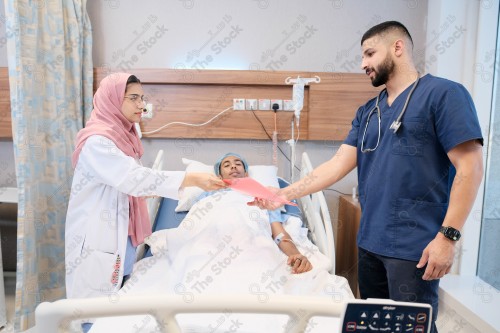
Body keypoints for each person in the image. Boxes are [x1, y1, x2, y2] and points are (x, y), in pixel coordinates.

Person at [251, 21, 483, 332]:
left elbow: (470, 169)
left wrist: (447, 237)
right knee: (376, 326)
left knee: (412, 328)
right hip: (371, 243)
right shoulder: (368, 111)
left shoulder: (444, 95)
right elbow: (335, 165)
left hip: (416, 248)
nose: (363, 64)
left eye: (370, 53)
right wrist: (283, 194)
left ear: (397, 48)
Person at [65, 73, 226, 303]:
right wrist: (192, 179)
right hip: (99, 238)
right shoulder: (97, 142)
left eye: (142, 98)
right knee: (93, 310)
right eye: (133, 98)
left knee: (115, 304)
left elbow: (137, 184)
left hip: (122, 236)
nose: (142, 105)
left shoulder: (124, 137)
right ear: (112, 100)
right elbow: (135, 179)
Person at [196, 152, 312, 274]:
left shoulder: (263, 196)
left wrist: (295, 254)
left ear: (246, 174)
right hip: (212, 243)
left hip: (253, 244)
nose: (233, 167)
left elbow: (278, 233)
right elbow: (196, 225)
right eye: (227, 165)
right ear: (219, 176)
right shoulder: (207, 195)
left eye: (238, 164)